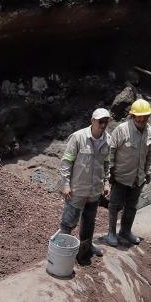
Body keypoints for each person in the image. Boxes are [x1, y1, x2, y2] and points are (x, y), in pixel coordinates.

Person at [59, 108, 112, 267]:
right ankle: (63, 250)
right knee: (69, 221)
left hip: (94, 191)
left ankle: (86, 248)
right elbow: (66, 162)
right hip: (77, 190)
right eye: (100, 121)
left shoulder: (108, 140)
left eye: (105, 122)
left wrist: (106, 183)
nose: (103, 125)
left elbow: (106, 163)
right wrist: (66, 184)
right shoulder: (78, 137)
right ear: (92, 121)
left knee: (89, 222)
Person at [104, 99, 151, 247]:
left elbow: (150, 152)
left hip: (138, 177)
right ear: (132, 116)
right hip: (121, 176)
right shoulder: (122, 130)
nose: (142, 119)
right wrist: (109, 172)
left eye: (145, 117)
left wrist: (149, 170)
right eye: (140, 117)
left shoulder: (149, 129)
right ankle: (111, 233)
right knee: (114, 205)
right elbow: (110, 151)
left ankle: (125, 231)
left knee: (132, 206)